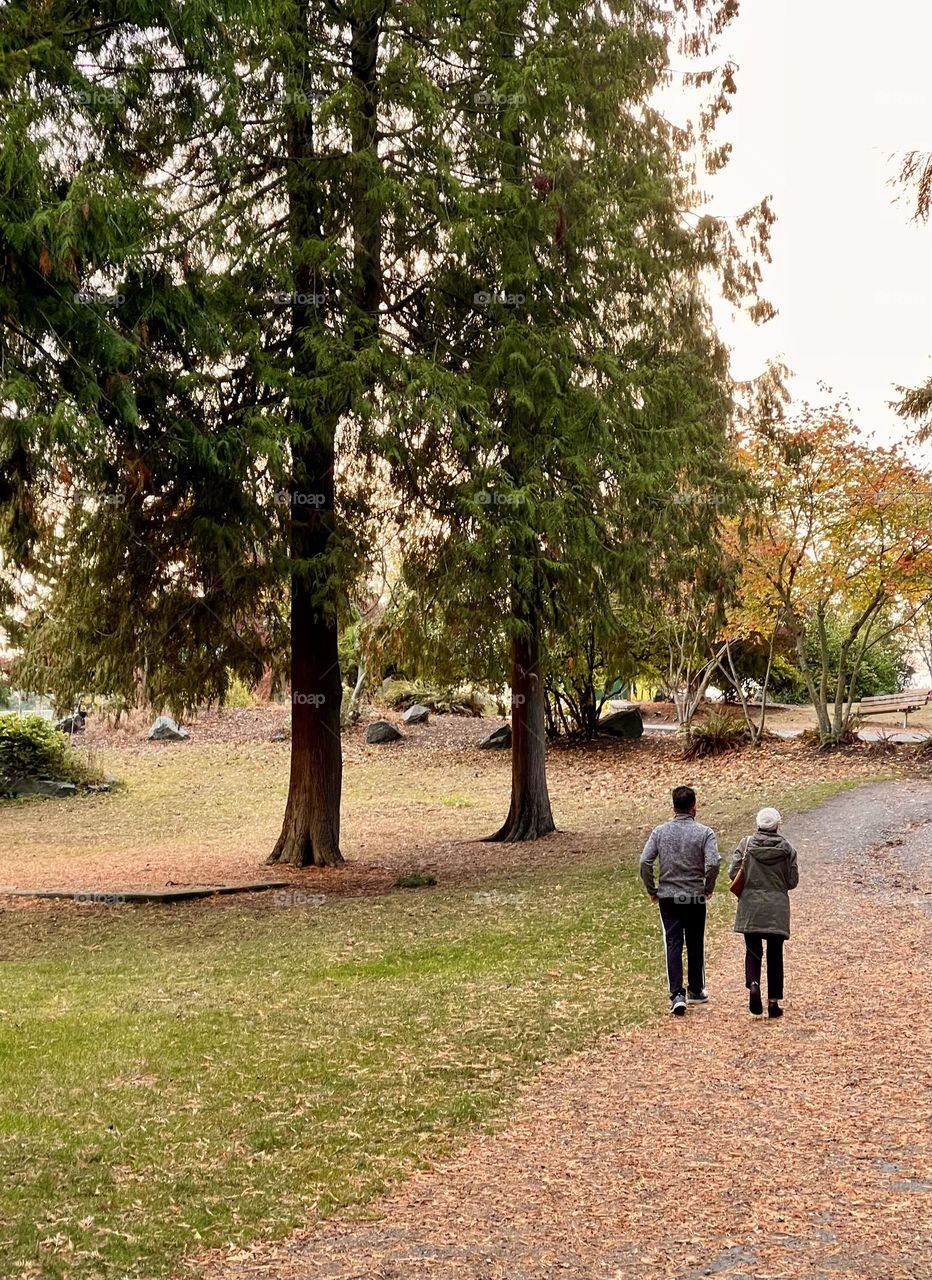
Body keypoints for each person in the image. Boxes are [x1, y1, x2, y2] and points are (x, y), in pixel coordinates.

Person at [640, 785, 720, 1017]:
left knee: (673, 943)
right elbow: (713, 863)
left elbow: (645, 862)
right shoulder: (705, 833)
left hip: (668, 896)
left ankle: (677, 993)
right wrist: (707, 888)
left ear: (674, 807)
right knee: (695, 942)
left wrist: (652, 889)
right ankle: (696, 988)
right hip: (694, 895)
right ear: (694, 807)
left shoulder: (660, 832)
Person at [728, 807, 799, 1018]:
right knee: (775, 954)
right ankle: (773, 1002)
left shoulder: (746, 844)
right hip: (776, 908)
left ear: (758, 824)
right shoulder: (787, 849)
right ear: (777, 825)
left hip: (751, 906)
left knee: (752, 950)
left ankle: (753, 984)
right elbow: (792, 881)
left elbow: (733, 872)